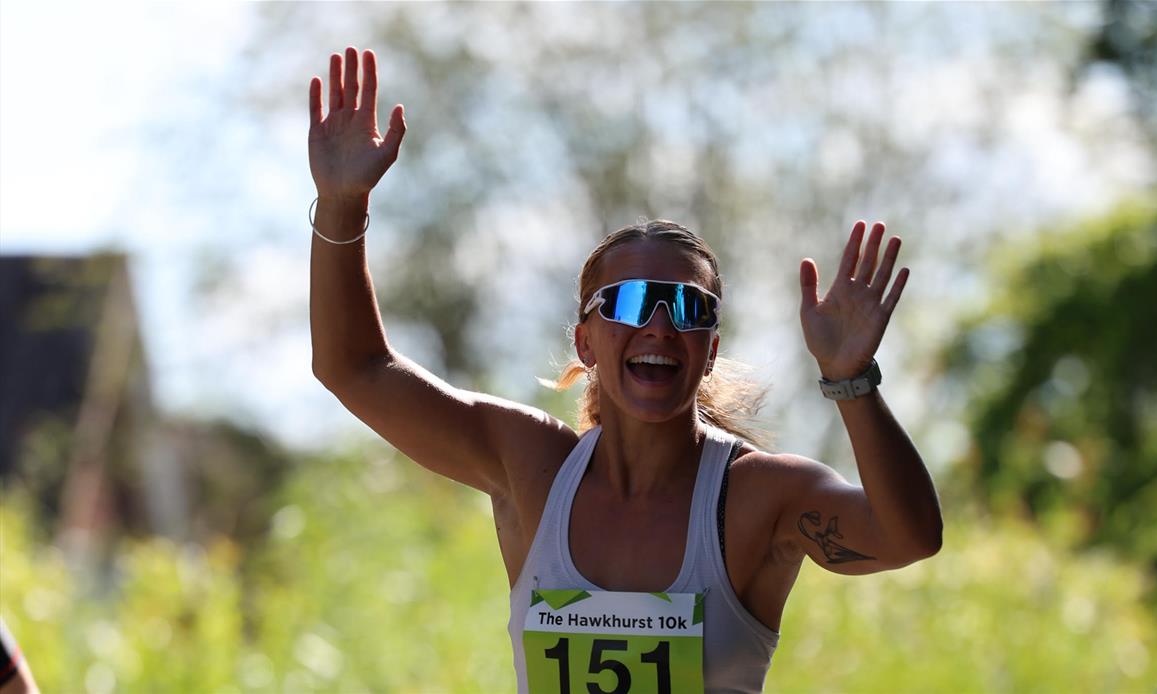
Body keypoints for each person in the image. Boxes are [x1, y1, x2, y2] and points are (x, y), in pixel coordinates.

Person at [308, 47, 942, 693]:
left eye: (690, 307)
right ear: (586, 341)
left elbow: (908, 538)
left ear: (710, 349)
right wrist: (341, 203)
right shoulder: (531, 466)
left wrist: (851, 379)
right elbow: (353, 367)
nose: (661, 325)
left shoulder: (759, 496)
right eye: (633, 302)